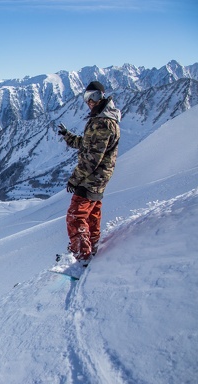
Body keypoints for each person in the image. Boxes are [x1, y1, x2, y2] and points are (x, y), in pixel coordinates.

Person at [57, 81, 121, 265]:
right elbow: (87, 144)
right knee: (91, 215)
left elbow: (92, 158)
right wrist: (68, 136)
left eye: (94, 97)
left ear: (102, 96)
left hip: (91, 178)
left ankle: (82, 257)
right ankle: (91, 248)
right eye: (87, 98)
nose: (90, 102)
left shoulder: (103, 123)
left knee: (75, 216)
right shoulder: (100, 119)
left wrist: (74, 179)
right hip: (99, 178)